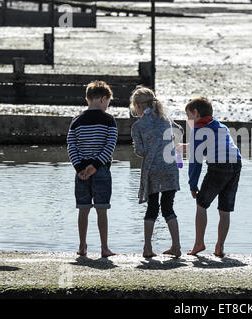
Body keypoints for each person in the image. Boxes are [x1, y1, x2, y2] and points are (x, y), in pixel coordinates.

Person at [130, 87, 184, 258]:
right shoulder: (165, 119)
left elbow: (141, 151)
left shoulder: (138, 125)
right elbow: (180, 131)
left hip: (152, 169)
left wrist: (137, 146)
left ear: (137, 105)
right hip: (170, 167)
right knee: (168, 207)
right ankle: (176, 247)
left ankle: (147, 248)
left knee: (152, 208)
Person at [185, 97, 242, 258]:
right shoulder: (220, 126)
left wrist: (192, 185)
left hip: (219, 165)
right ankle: (219, 246)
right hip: (236, 163)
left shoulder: (197, 130)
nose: (188, 119)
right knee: (224, 209)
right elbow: (211, 145)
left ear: (196, 113)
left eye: (188, 115)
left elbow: (195, 161)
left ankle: (199, 243)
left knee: (201, 204)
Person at [67, 81, 118, 258]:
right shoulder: (109, 120)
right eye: (108, 102)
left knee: (83, 209)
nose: (107, 105)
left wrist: (80, 167)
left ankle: (82, 246)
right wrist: (95, 166)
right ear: (103, 99)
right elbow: (110, 145)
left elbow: (71, 146)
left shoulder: (76, 121)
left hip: (81, 171)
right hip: (101, 169)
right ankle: (104, 248)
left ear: (87, 99)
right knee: (101, 209)